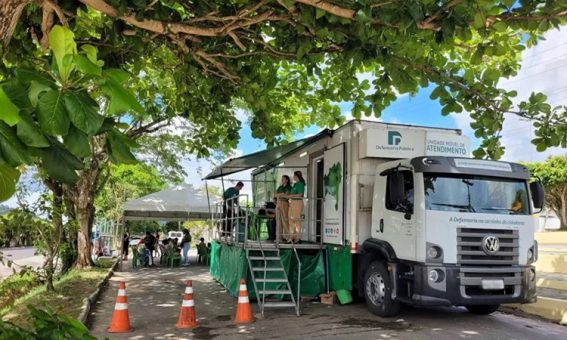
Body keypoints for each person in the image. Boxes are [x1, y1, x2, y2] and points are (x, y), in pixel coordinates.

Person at [287, 171, 306, 244]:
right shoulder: (294, 184)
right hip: (292, 203)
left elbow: (300, 194)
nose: (293, 177)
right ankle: (291, 237)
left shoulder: (300, 184)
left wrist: (291, 196)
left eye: (294, 176)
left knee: (296, 220)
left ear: (297, 176)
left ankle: (298, 238)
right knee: (290, 220)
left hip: (297, 203)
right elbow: (292, 193)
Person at [274, 175, 291, 242]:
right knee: (278, 221)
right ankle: (279, 238)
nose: (282, 180)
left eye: (283, 179)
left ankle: (287, 237)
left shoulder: (289, 187)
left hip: (284, 203)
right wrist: (281, 194)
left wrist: (279, 194)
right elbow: (275, 195)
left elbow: (286, 195)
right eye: (282, 179)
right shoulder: (280, 187)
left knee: (285, 220)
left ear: (287, 180)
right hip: (278, 203)